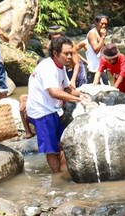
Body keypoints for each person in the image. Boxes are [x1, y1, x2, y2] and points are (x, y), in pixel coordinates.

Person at [26, 36, 82, 173]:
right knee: (51, 149)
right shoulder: (47, 67)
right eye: (66, 53)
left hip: (52, 109)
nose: (69, 57)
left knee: (60, 144)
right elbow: (54, 92)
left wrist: (83, 95)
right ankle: (57, 178)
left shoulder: (61, 66)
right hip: (41, 111)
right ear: (56, 54)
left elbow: (67, 88)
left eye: (71, 53)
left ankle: (63, 174)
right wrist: (77, 100)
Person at [86, 14, 109, 85]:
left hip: (101, 68)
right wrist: (103, 37)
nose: (104, 26)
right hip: (94, 69)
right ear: (96, 23)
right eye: (102, 24)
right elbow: (96, 50)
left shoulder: (99, 33)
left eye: (106, 24)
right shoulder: (92, 33)